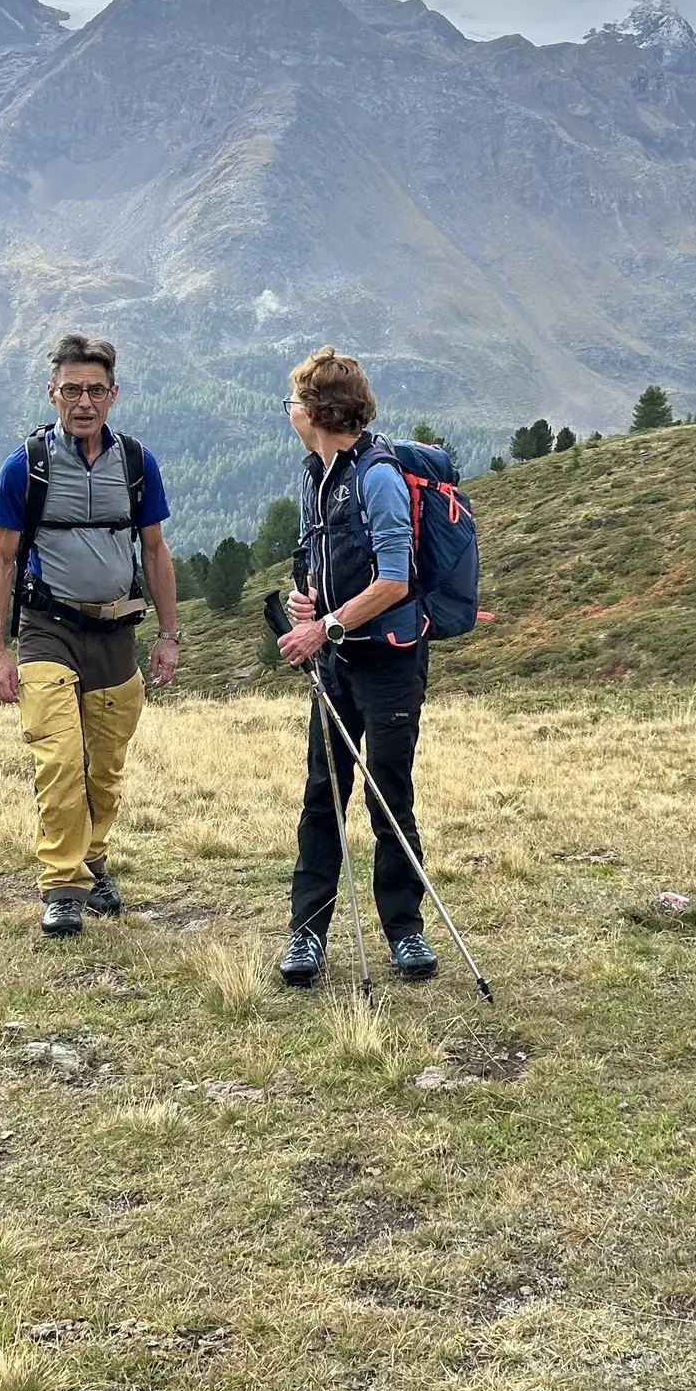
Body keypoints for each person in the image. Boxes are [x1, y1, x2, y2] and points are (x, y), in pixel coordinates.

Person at [0, 334, 181, 936]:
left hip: (116, 629)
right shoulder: (28, 465)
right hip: (48, 628)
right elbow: (2, 559)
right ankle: (63, 885)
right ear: (53, 394)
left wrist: (170, 634)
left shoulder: (136, 463)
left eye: (96, 389)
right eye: (72, 389)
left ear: (113, 394)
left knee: (105, 764)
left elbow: (155, 550)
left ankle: (92, 860)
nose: (84, 401)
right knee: (60, 758)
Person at [274, 347, 439, 984]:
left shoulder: (377, 478)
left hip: (387, 664)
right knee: (325, 794)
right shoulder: (316, 474)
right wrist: (306, 597)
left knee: (387, 794)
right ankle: (307, 934)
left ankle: (405, 932)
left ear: (316, 410)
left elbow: (395, 580)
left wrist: (326, 626)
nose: (288, 412)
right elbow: (329, 562)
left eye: (292, 402)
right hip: (337, 663)